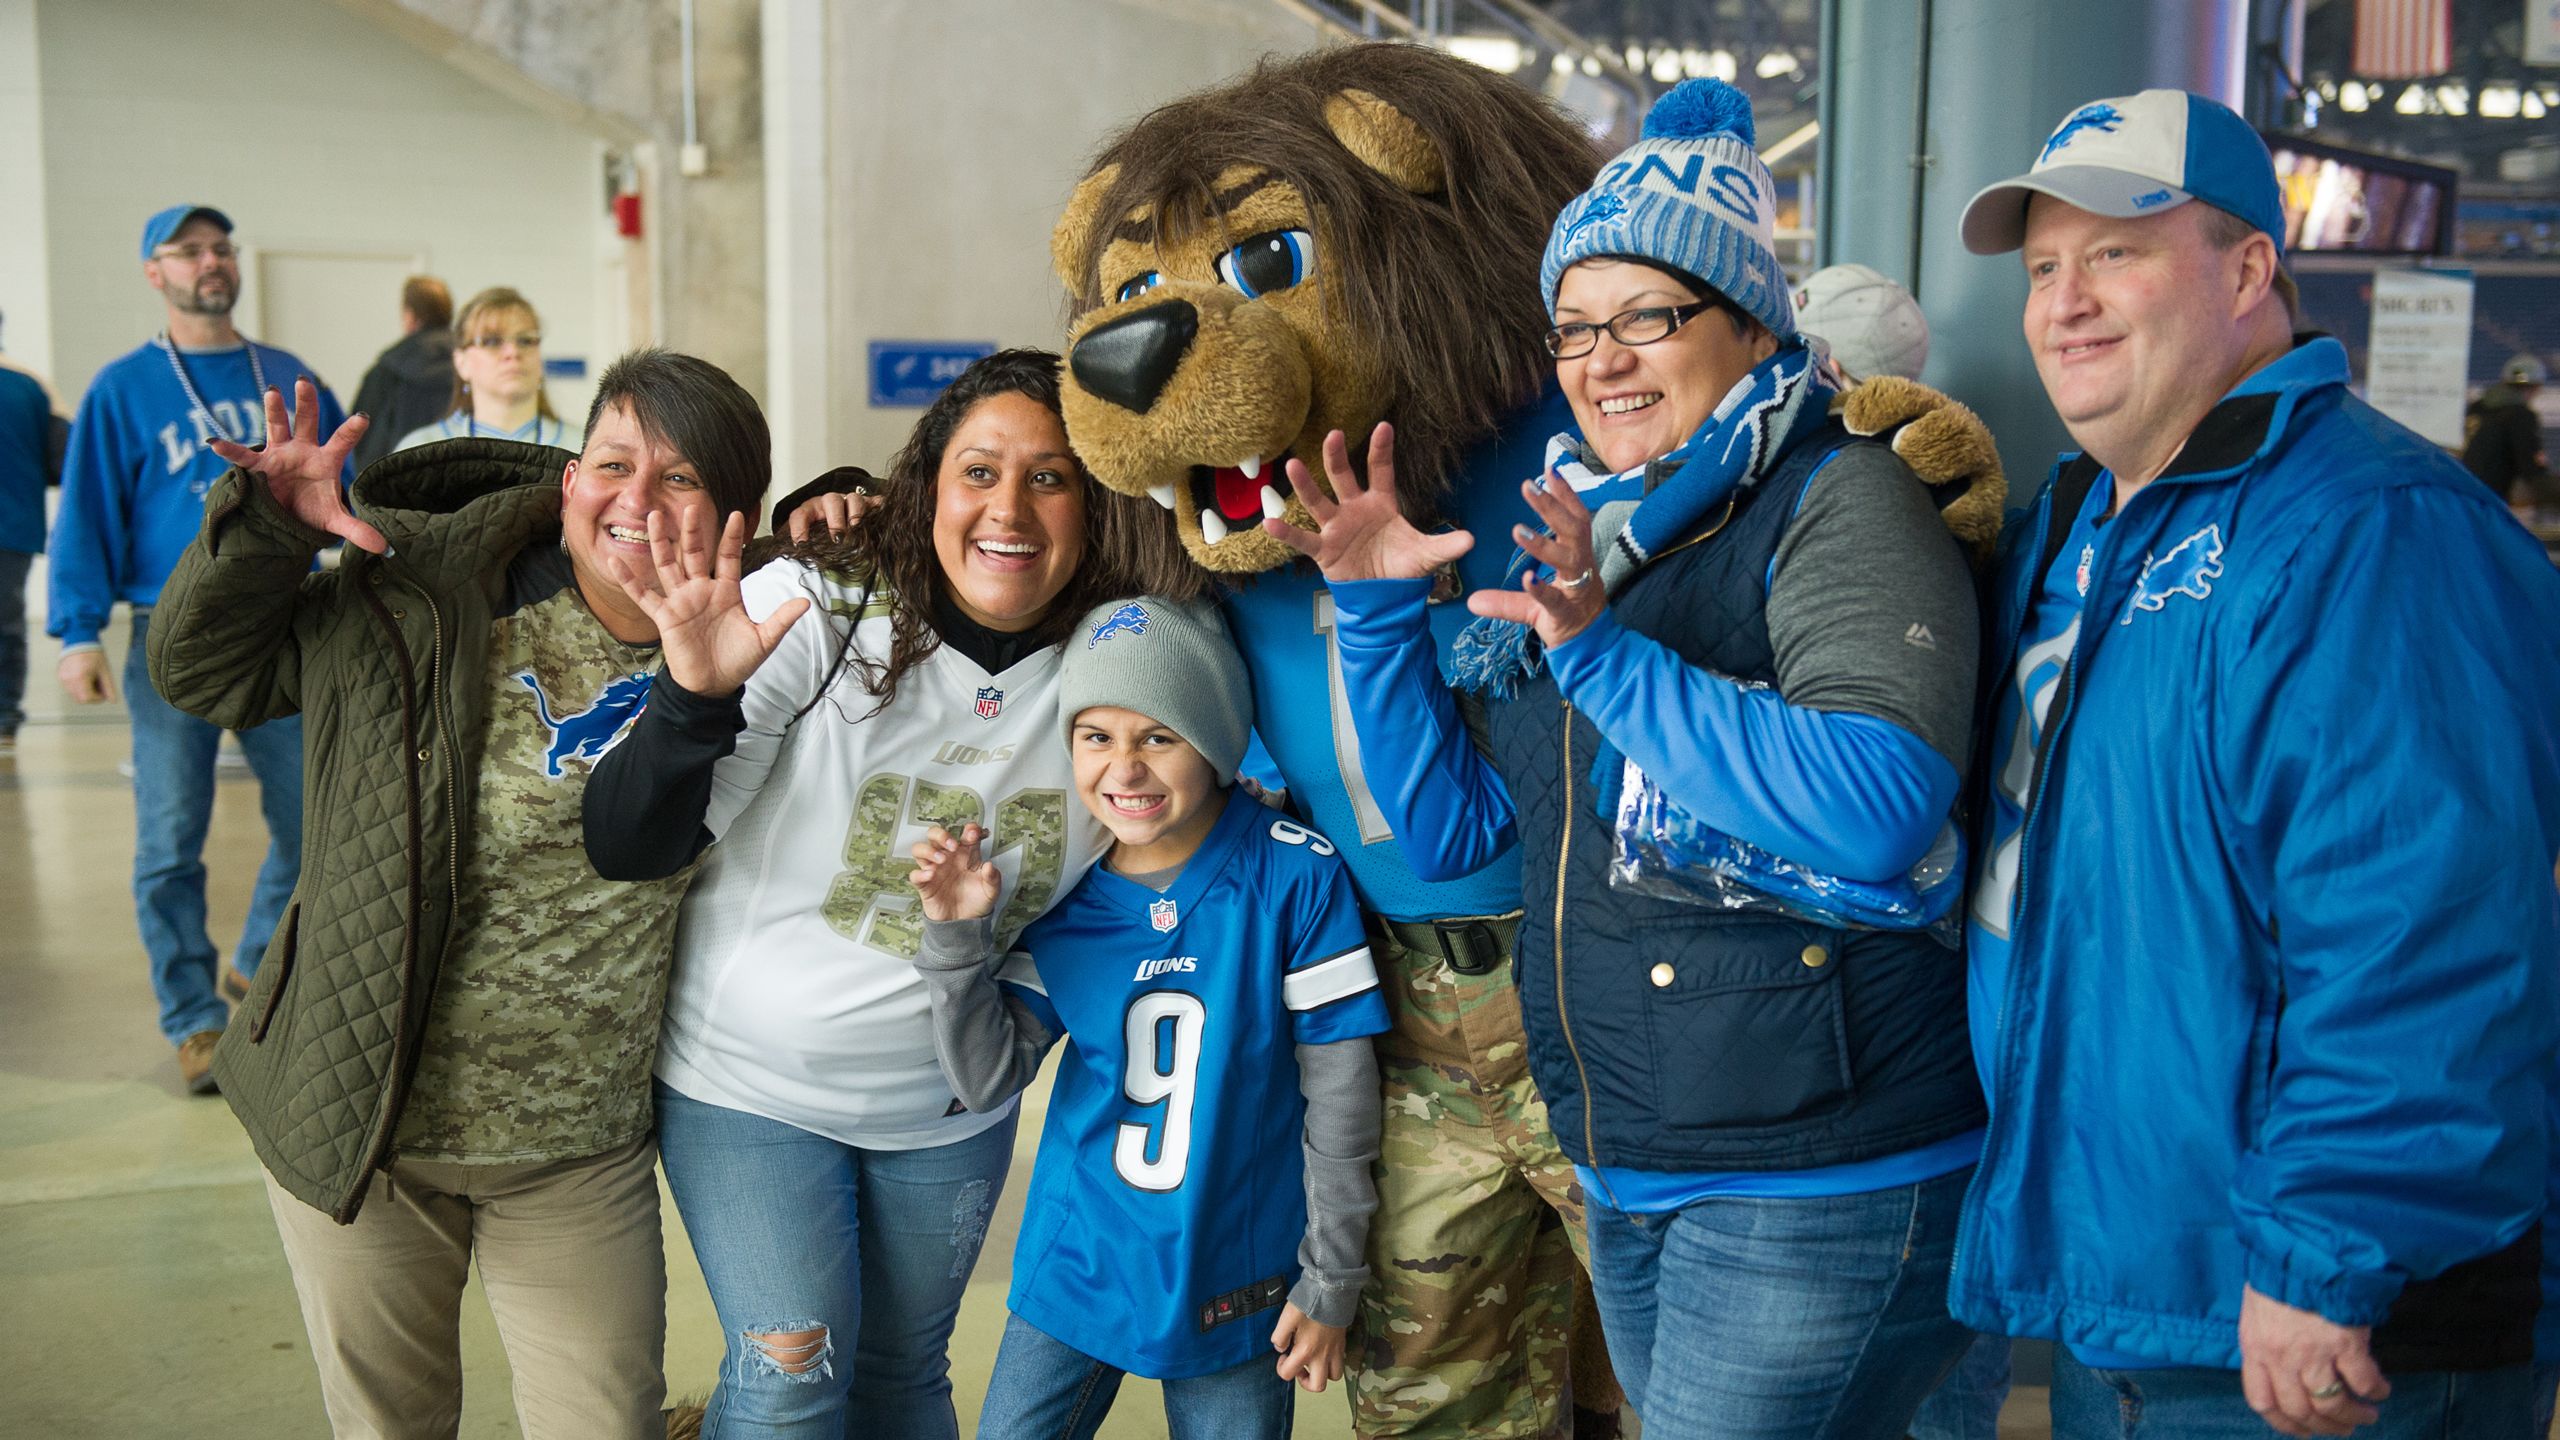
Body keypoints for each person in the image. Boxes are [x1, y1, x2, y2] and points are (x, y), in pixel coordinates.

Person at [1272, 77, 1986, 1437]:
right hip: (1645, 1155)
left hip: (1819, 1166)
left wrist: (1602, 657)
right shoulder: (1600, 535)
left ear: (1751, 324)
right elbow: (1463, 841)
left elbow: (1881, 801)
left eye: (1649, 317)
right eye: (1577, 330)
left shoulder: (1840, 497)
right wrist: (1373, 620)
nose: (1604, 361)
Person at [1954, 89, 2560, 1439]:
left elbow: (2425, 928)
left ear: (2248, 271)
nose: (2067, 301)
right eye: (2045, 267)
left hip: (2316, 1321)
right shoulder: (2083, 530)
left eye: (2116, 250)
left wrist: (2328, 1245)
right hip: (2143, 1289)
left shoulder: (2369, 529)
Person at [146, 350, 772, 1439]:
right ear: (569, 481)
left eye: (679, 479)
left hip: (579, 1150)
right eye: (613, 464)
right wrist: (268, 534)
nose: (636, 501)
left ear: (736, 514)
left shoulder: (771, 645)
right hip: (362, 1128)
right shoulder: (418, 597)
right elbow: (205, 676)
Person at [581, 348, 1197, 1439]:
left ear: (1096, 501)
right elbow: (629, 844)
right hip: (751, 1084)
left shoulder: (1127, 660)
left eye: (1050, 477)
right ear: (926, 487)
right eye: (978, 472)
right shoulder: (811, 609)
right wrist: (689, 698)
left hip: (947, 1106)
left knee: (905, 1377)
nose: (1009, 508)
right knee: (790, 1379)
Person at [903, 595, 1389, 1439]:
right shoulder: (1067, 894)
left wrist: (1332, 1275)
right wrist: (954, 937)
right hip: (1080, 1263)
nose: (1124, 770)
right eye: (1097, 737)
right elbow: (987, 1077)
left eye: (1157, 737)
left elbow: (1343, 1101)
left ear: (1216, 739)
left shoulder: (1294, 878)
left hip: (1236, 1276)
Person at [49, 203, 333, 1091]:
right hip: (165, 639)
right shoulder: (121, 389)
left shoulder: (287, 375)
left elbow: (344, 496)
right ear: (154, 271)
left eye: (221, 248)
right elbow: (87, 513)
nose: (210, 262)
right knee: (172, 838)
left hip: (280, 627)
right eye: (188, 251)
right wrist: (76, 632)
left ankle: (254, 958)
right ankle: (195, 1019)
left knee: (313, 817)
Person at [394, 286, 571, 451]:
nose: (512, 352)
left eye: (525, 340)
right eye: (491, 341)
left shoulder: (583, 450)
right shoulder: (421, 451)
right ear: (461, 362)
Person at [0, 321, 62, 759]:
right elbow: (63, 462)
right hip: (12, 528)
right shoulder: (28, 389)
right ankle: (3, 718)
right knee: (5, 625)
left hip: (11, 524)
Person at [347, 274, 455, 475]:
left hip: (396, 486)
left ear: (410, 315)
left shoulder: (385, 372)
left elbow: (358, 438)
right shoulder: (475, 368)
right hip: (466, 484)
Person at [2462, 353, 2550, 508]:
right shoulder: (2520, 415)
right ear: (2536, 387)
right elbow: (2531, 469)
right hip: (2491, 500)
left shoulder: (2477, 408)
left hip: (2463, 492)